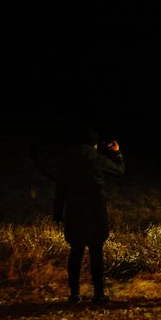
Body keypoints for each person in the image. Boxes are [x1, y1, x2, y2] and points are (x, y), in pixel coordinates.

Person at [52, 127, 125, 304]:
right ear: (94, 144)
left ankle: (74, 293)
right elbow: (119, 171)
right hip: (95, 210)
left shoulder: (66, 159)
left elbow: (60, 189)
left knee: (76, 251)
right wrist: (117, 153)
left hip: (75, 210)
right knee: (96, 252)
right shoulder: (97, 158)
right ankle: (99, 294)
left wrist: (58, 212)